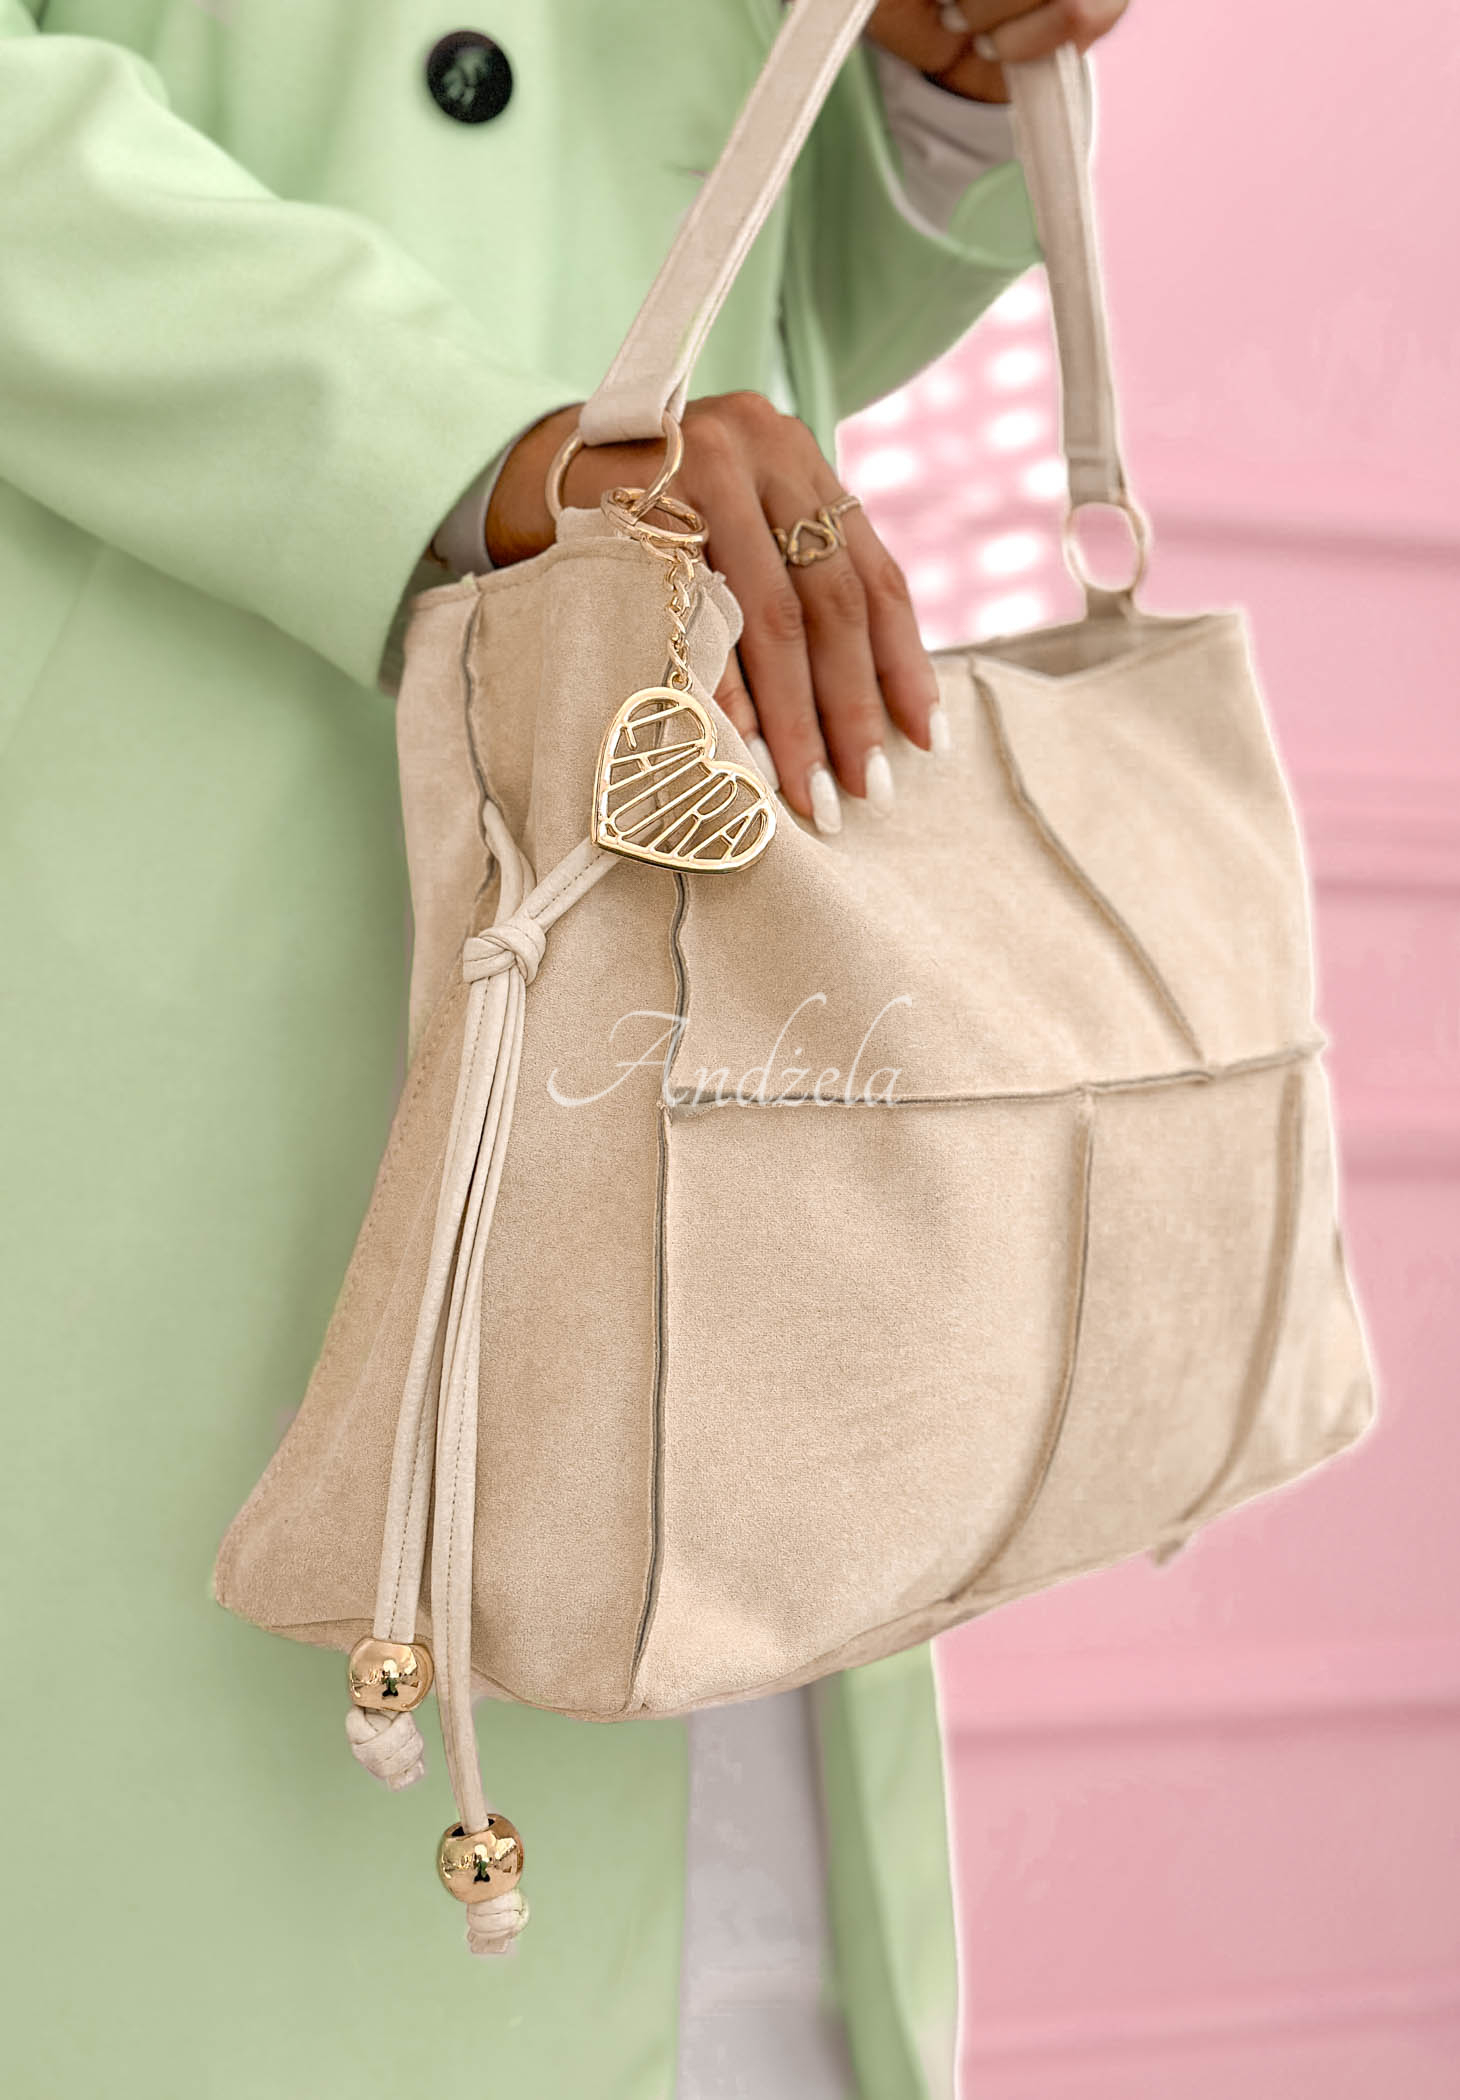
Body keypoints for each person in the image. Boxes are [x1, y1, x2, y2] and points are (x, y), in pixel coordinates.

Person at [0, 4, 1125, 2096]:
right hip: (184, 845)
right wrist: (458, 436)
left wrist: (938, 80)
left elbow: (743, 286)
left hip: (704, 909)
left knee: (701, 1961)